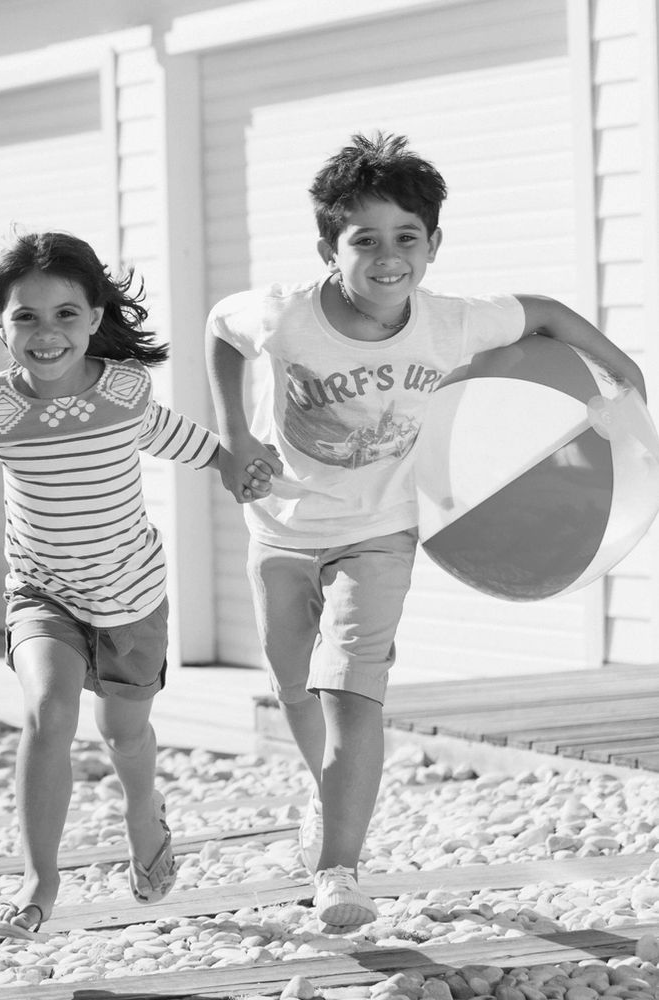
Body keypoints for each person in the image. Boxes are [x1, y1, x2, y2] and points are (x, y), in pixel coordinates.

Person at [205, 132, 646, 929]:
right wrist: (234, 437)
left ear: (434, 244)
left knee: (352, 689)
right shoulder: (282, 314)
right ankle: (324, 794)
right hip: (281, 528)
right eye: (363, 239)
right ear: (326, 247)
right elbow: (218, 331)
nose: (388, 257)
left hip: (381, 530)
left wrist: (625, 370)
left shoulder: (449, 323)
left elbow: (544, 313)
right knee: (292, 684)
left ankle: (339, 869)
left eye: (407, 237)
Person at [0, 230, 272, 941]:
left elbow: (184, 441)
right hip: (42, 594)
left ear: (96, 315)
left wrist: (236, 466)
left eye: (66, 314)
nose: (47, 334)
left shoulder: (123, 394)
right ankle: (39, 883)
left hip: (131, 596)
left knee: (125, 734)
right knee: (50, 711)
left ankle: (144, 815)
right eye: (25, 317)